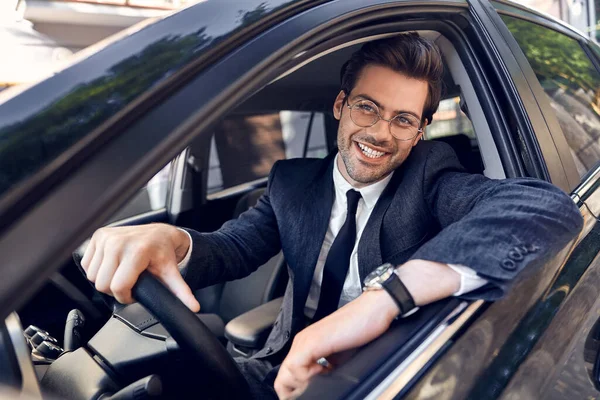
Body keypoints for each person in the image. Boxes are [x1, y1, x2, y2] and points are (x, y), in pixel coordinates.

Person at [81, 33, 583, 399]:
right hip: (276, 366)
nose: (382, 132)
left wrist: (386, 299)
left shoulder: (431, 178)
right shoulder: (292, 183)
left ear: (420, 132)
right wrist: (174, 240)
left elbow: (543, 205)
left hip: (378, 375)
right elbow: (233, 248)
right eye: (368, 107)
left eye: (403, 120)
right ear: (341, 105)